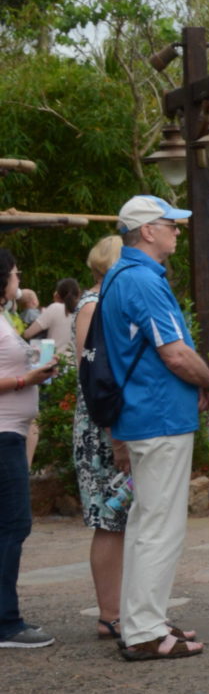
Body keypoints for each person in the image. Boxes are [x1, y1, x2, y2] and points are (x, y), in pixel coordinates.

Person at [103, 195, 209, 661]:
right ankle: (145, 631)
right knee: (159, 526)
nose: (177, 231)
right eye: (170, 224)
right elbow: (175, 352)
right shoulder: (145, 281)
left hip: (141, 414)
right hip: (160, 415)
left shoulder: (117, 277)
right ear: (147, 231)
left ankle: (143, 620)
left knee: (145, 522)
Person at [0, 248, 61, 649]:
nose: (19, 280)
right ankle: (7, 621)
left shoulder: (6, 317)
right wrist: (27, 380)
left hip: (12, 430)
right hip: (3, 433)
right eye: (16, 274)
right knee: (14, 524)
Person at [72, 235, 131, 639]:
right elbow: (93, 374)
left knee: (121, 517)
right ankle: (110, 611)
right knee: (109, 518)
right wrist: (114, 434)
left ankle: (123, 607)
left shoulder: (106, 303)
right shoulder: (92, 306)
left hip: (113, 422)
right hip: (101, 427)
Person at [25, 279, 81, 359]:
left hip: (53, 363)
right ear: (78, 293)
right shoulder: (83, 310)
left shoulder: (55, 308)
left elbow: (27, 334)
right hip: (75, 365)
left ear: (57, 295)